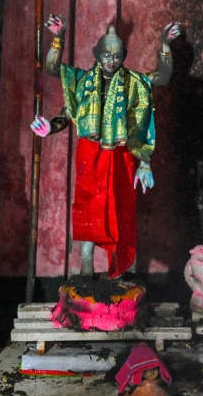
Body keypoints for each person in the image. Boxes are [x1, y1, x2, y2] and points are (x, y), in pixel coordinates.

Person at [30, 15, 181, 277]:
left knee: (122, 208)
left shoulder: (134, 81)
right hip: (90, 153)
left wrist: (164, 44)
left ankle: (121, 272)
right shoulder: (81, 81)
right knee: (89, 209)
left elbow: (163, 75)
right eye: (106, 54)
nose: (111, 60)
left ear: (124, 56)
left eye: (117, 55)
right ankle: (86, 269)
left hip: (122, 154)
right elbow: (56, 78)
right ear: (96, 54)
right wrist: (59, 37)